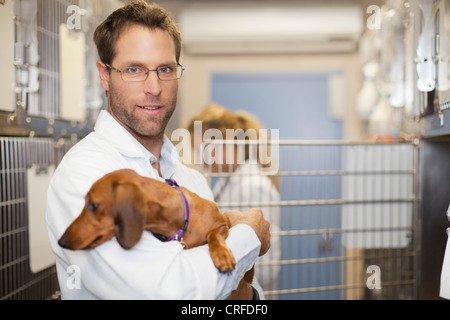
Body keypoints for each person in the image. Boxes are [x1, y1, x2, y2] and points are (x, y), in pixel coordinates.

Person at [46, 1, 270, 300]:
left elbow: (227, 291)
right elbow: (166, 292)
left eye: (165, 69)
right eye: (134, 69)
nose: (154, 87)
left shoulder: (193, 181)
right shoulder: (86, 174)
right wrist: (248, 234)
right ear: (104, 75)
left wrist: (250, 296)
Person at [187, 104, 281, 298]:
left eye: (204, 149)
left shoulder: (253, 186)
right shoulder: (224, 183)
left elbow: (267, 266)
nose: (201, 159)